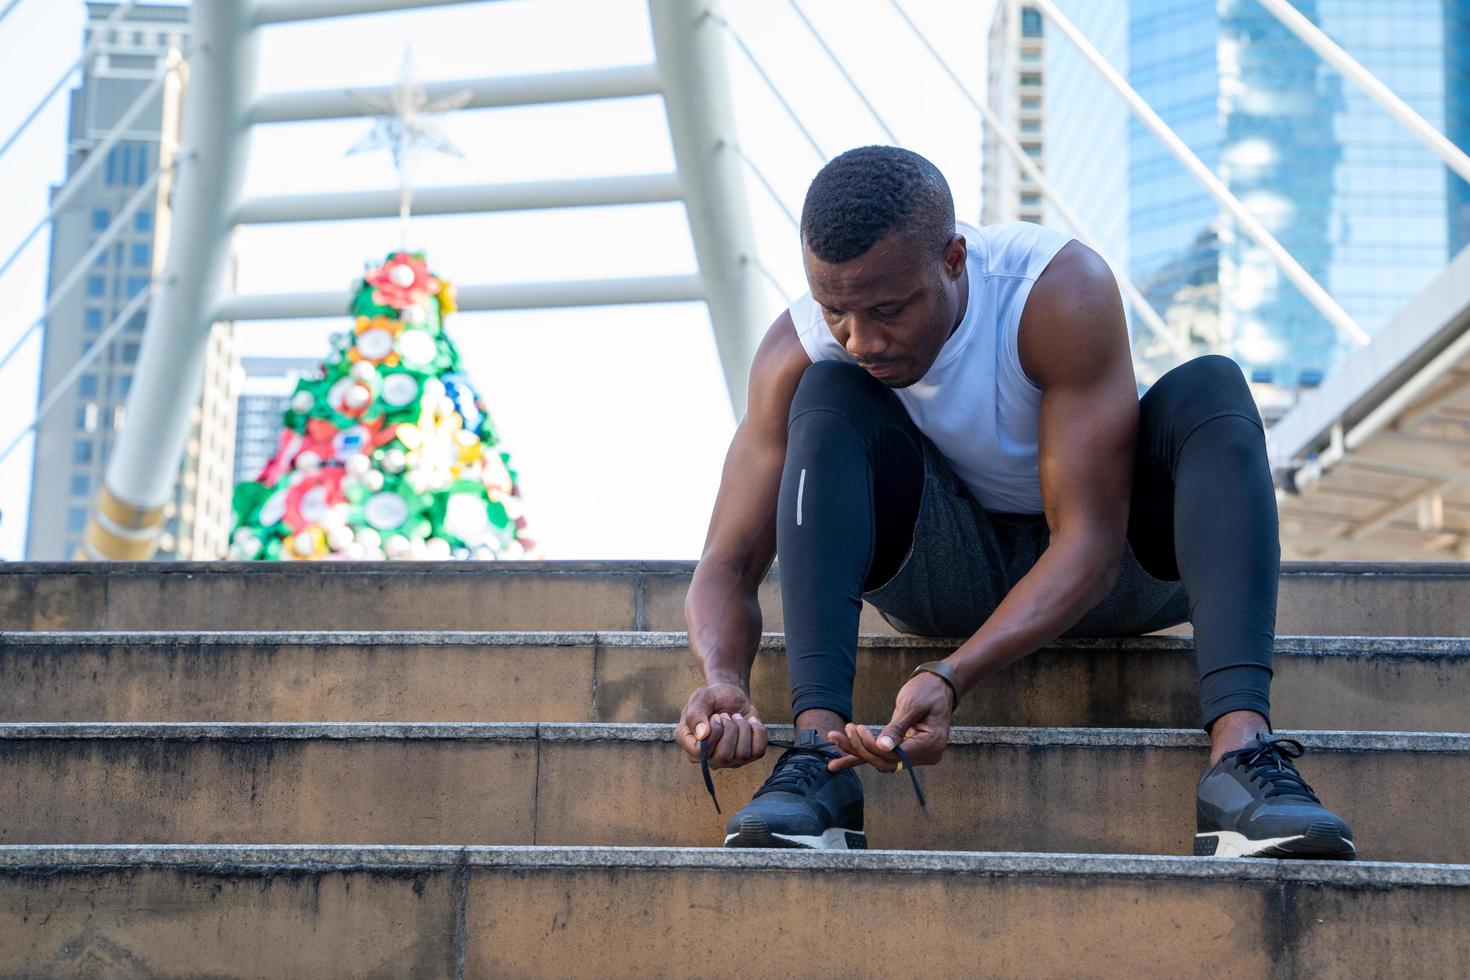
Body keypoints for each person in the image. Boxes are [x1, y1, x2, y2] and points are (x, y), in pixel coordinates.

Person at [676, 145, 1354, 859]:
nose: (862, 338)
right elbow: (726, 562)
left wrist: (952, 673)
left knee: (1213, 388)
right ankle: (818, 762)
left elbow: (1089, 549)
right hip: (941, 574)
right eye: (835, 310)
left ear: (955, 259)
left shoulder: (1055, 289)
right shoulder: (800, 350)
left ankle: (1240, 765)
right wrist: (722, 679)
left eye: (888, 309)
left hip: (1113, 574)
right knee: (827, 392)